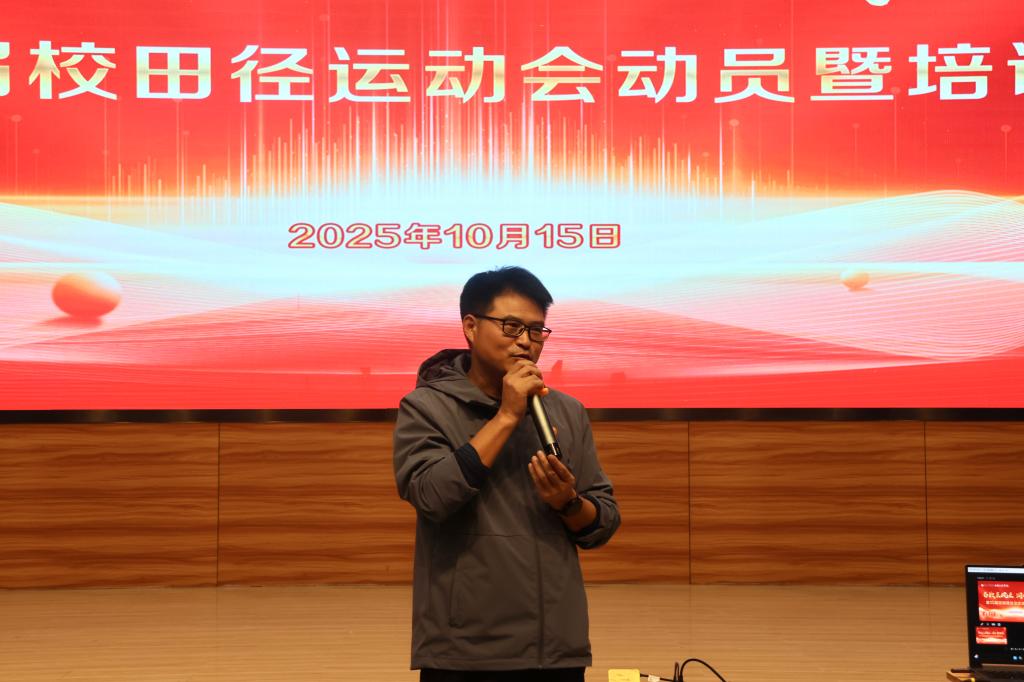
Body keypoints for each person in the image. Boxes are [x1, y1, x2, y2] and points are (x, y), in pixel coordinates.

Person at [393, 266, 621, 681]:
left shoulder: (567, 411)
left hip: (555, 649)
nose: (525, 342)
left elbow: (602, 522)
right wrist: (507, 416)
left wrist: (568, 503)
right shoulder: (426, 407)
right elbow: (430, 496)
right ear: (470, 327)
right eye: (511, 326)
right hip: (462, 652)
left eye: (536, 331)